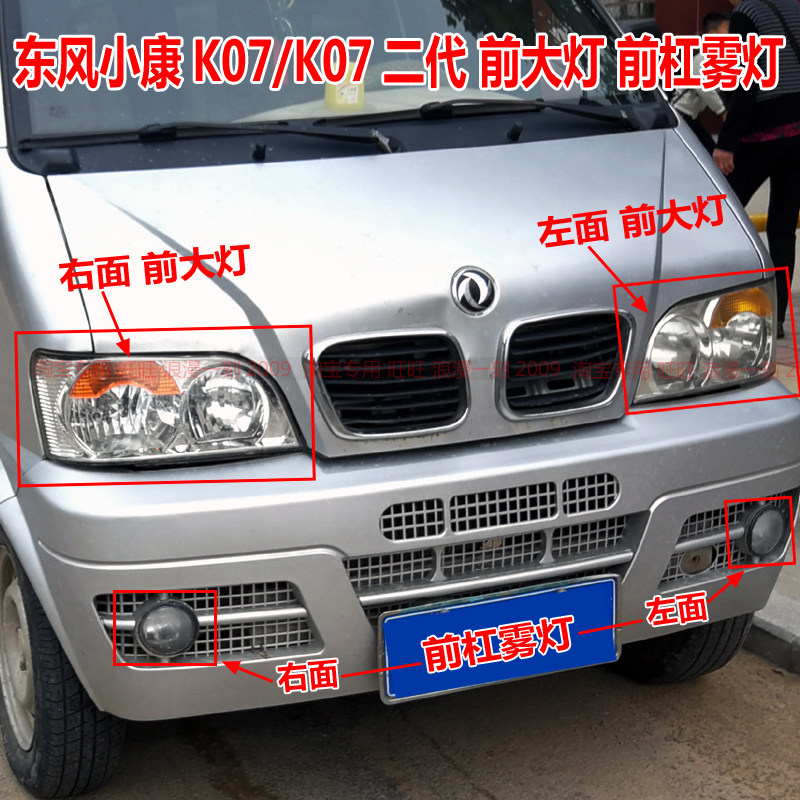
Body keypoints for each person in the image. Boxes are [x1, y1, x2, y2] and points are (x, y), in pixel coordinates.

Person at [713, 0, 800, 339]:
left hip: (763, 136)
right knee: (783, 228)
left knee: (722, 214)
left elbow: (746, 84)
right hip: (798, 135)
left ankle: (726, 306)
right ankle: (776, 318)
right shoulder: (795, 8)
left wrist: (726, 144)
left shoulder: (747, 15)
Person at [672, 12, 730, 154]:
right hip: (680, 115)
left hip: (691, 116)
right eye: (727, 30)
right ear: (712, 34)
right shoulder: (701, 57)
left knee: (707, 150)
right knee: (705, 151)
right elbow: (705, 88)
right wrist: (722, 111)